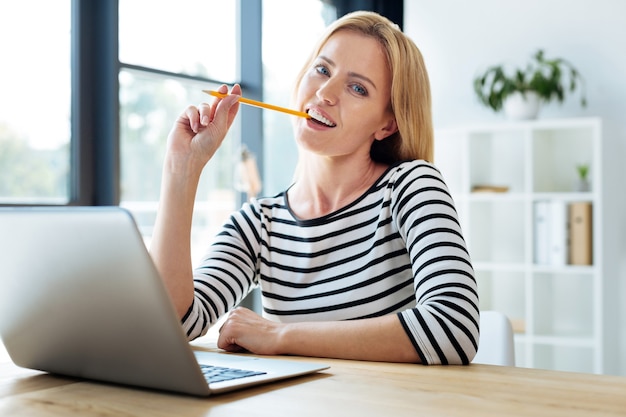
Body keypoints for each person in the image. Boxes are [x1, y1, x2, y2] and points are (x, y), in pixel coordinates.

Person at [150, 10, 479, 365]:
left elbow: (453, 327)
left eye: (357, 88)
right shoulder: (259, 223)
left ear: (387, 125)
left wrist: (280, 336)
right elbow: (172, 326)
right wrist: (181, 169)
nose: (325, 92)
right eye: (322, 70)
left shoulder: (409, 186)